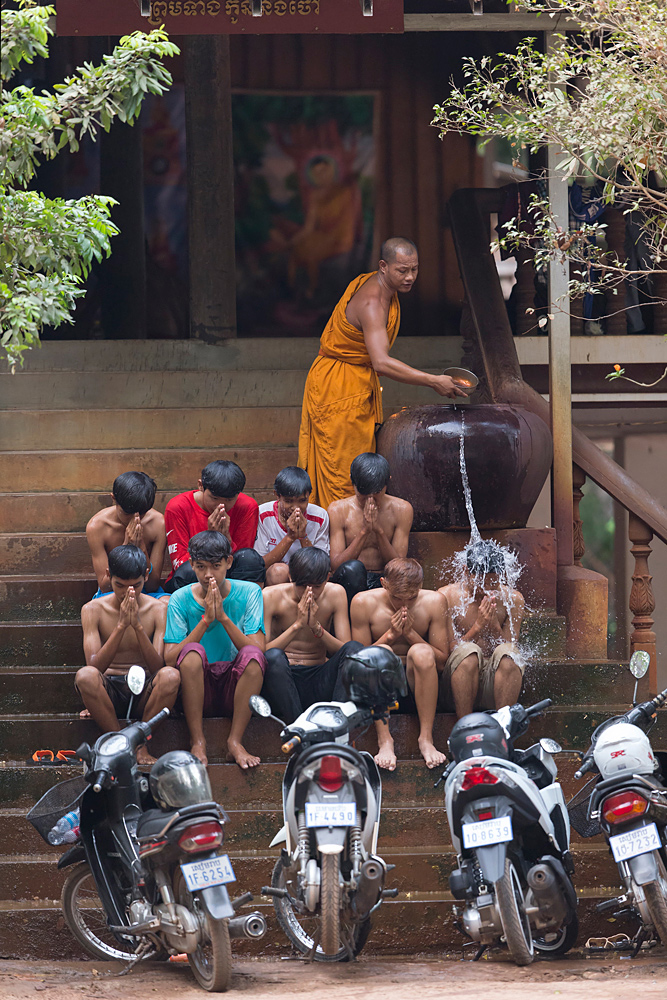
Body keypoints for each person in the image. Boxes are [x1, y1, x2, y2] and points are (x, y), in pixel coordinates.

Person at [297, 238, 467, 509]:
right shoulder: (372, 302)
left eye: (415, 269)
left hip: (353, 381)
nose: (410, 277)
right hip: (339, 387)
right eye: (402, 270)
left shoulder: (379, 284)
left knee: (357, 468)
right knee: (344, 474)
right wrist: (434, 380)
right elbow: (382, 363)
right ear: (383, 266)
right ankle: (338, 545)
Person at [163, 530, 266, 769]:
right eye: (200, 567)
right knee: (191, 652)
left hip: (235, 684)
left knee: (252, 657)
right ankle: (197, 740)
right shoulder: (179, 598)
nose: (209, 575)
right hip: (197, 685)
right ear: (191, 564)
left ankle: (235, 741)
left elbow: (259, 650)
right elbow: (169, 659)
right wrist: (206, 621)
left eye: (216, 566)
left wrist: (224, 619)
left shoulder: (250, 592)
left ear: (229, 562)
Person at [76, 545, 178, 766]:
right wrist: (121, 627)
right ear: (108, 576)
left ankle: (139, 744)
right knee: (85, 676)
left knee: (171, 676)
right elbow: (94, 667)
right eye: (119, 585)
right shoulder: (93, 609)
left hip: (144, 692)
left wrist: (139, 629)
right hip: (109, 689)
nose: (127, 592)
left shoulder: (158, 609)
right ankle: (120, 742)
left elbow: (158, 667)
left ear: (146, 577)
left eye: (136, 585)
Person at [351, 557, 452, 771]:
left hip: (421, 686)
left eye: (412, 597)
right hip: (378, 689)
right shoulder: (363, 603)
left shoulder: (435, 602)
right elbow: (357, 660)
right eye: (397, 598)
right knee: (381, 653)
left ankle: (426, 738)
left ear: (421, 586)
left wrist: (411, 635)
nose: (404, 605)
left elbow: (442, 661)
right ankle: (385, 740)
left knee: (422, 651)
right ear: (383, 583)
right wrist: (390, 636)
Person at [262, 547, 361, 723]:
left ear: (327, 579)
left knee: (355, 649)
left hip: (319, 676)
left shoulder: (335, 594)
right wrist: (298, 625)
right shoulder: (271, 596)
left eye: (317, 586)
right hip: (284, 680)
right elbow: (263, 651)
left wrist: (317, 629)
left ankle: (336, 722)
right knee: (274, 657)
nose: (310, 593)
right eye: (302, 586)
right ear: (291, 578)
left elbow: (344, 649)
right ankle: (297, 727)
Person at [438, 541, 525, 716]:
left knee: (509, 653)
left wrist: (494, 627)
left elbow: (510, 646)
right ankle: (466, 726)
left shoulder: (513, 599)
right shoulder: (446, 597)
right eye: (481, 582)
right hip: (457, 684)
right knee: (469, 651)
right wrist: (477, 627)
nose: (487, 589)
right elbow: (445, 653)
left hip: (495, 686)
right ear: (465, 571)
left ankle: (504, 727)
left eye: (493, 584)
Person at [329, 453, 413, 604]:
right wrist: (364, 531)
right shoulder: (338, 510)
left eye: (376, 493)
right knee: (353, 569)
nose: (370, 500)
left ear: (387, 484)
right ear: (352, 482)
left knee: (412, 571)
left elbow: (398, 565)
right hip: (350, 580)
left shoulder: (402, 509)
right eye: (363, 494)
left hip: (386, 579)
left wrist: (379, 531)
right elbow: (336, 566)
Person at [164, 460, 260, 593]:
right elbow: (180, 561)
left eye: (229, 500)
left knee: (250, 559)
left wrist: (225, 538)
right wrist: (209, 540)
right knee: (187, 572)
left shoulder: (247, 506)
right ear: (201, 486)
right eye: (214, 498)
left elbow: (243, 557)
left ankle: (245, 607)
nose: (221, 506)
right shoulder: (178, 507)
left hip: (228, 573)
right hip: (194, 575)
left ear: (238, 494)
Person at [85, 471, 167, 597]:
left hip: (146, 593)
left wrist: (142, 548)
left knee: (166, 604)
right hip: (113, 593)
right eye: (127, 513)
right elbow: (105, 586)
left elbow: (153, 585)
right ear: (114, 499)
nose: (135, 519)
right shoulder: (98, 527)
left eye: (142, 513)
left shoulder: (158, 523)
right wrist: (125, 547)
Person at [254, 466, 329, 587]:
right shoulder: (263, 514)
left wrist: (303, 536)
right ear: (277, 496)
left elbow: (322, 567)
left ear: (309, 496)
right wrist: (289, 538)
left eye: (302, 500)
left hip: (308, 578)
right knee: (279, 571)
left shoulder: (320, 516)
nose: (296, 508)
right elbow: (260, 565)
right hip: (275, 578)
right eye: (288, 501)